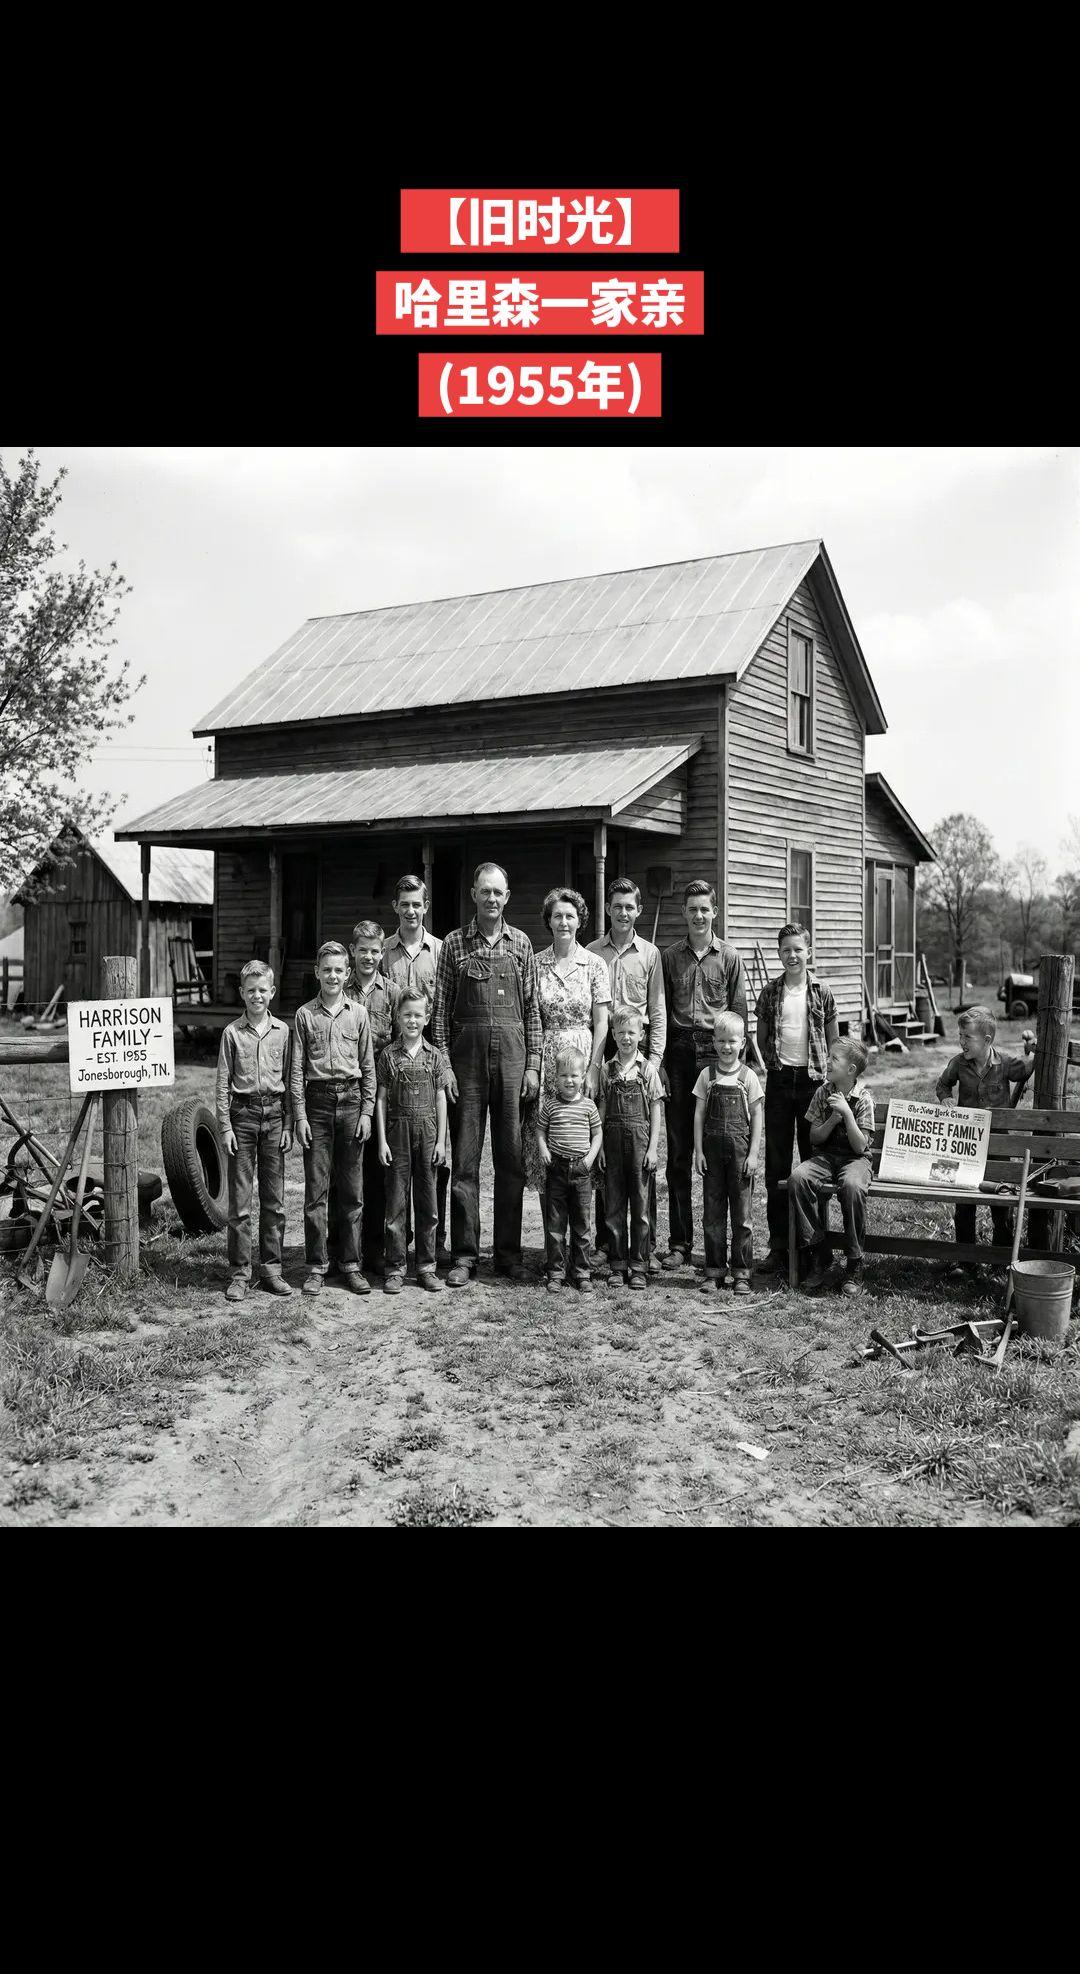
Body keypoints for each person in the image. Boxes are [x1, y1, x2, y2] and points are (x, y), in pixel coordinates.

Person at [431, 861, 541, 1285]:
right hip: (467, 1065)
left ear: (506, 897)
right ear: (473, 895)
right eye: (484, 891)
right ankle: (464, 1255)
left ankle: (509, 1254)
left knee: (511, 1160)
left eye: (498, 892)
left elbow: (532, 1010)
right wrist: (444, 1065)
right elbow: (439, 1011)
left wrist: (532, 1065)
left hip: (513, 1062)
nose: (491, 899)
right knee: (465, 1161)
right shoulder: (455, 944)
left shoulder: (521, 944)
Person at [660, 880, 748, 1271]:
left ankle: (725, 1246)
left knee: (722, 1150)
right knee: (679, 1151)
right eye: (692, 909)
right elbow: (659, 1011)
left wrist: (735, 1063)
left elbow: (740, 1012)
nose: (698, 915)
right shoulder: (669, 957)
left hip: (718, 1054)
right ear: (684, 912)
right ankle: (680, 1242)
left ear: (715, 912)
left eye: (705, 909)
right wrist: (659, 1059)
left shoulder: (728, 957)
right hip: (678, 1052)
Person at [588, 876, 666, 1275]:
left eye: (629, 907)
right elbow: (594, 1017)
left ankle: (644, 1247)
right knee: (610, 1164)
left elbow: (656, 1010)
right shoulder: (591, 952)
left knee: (640, 1167)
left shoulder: (650, 955)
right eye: (616, 906)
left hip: (639, 1060)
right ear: (609, 910)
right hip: (606, 1061)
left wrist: (653, 1059)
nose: (622, 912)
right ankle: (608, 1244)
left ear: (639, 910)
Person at [291, 940, 376, 1297]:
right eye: (327, 970)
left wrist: (368, 1112)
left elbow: (368, 1067)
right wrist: (299, 1115)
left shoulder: (358, 1014)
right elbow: (296, 1070)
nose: (333, 976)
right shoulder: (304, 1015)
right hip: (317, 1103)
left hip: (352, 1101)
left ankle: (351, 1264)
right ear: (317, 973)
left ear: (348, 973)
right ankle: (315, 1265)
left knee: (353, 1192)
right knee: (316, 1190)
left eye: (339, 970)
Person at [755, 922, 839, 1278]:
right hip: (779, 1082)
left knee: (813, 1166)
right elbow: (760, 1038)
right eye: (786, 950)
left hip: (812, 1083)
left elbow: (835, 1045)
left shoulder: (822, 991)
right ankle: (779, 1246)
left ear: (809, 952)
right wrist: (776, 1067)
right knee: (776, 1166)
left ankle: (815, 1249)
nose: (792, 956)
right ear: (779, 954)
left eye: (798, 949)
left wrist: (832, 1083)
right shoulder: (771, 992)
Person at [935, 1006, 1036, 1278]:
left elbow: (1026, 1069)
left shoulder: (1004, 1063)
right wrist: (945, 1098)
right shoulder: (958, 1064)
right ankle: (966, 1261)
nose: (962, 1041)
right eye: (960, 1036)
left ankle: (1000, 1260)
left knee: (1001, 1204)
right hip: (968, 1146)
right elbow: (943, 1084)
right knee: (964, 1204)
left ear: (987, 1040)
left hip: (999, 1148)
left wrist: (1032, 1049)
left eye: (968, 1037)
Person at [379, 873, 449, 1257]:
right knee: (394, 1167)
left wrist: (446, 1065)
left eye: (416, 904)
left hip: (431, 1064)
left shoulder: (440, 951)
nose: (410, 910)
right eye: (403, 904)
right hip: (392, 1064)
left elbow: (447, 1010)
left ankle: (431, 1248)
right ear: (396, 908)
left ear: (426, 907)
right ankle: (391, 1249)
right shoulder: (383, 952)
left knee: (433, 1164)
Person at [523, 887, 610, 1192]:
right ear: (549, 920)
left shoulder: (595, 964)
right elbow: (531, 1018)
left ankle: (582, 1235)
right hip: (548, 1062)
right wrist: (532, 1067)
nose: (563, 922)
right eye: (557, 915)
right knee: (549, 1135)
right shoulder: (535, 964)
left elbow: (602, 1022)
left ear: (579, 920)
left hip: (583, 1058)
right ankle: (553, 1236)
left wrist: (594, 1068)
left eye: (569, 916)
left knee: (580, 1135)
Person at [216, 959, 293, 1301]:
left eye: (263, 990)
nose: (257, 996)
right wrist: (225, 1127)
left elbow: (292, 1081)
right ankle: (239, 1272)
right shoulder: (231, 1034)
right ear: (242, 994)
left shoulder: (284, 1032)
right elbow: (221, 1085)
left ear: (272, 992)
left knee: (274, 1201)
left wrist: (289, 1123)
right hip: (243, 1117)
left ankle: (273, 1269)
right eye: (251, 991)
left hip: (275, 1116)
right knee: (240, 1203)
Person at [375, 988, 450, 1295]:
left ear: (427, 1018)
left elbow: (442, 1098)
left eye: (418, 1015)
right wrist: (382, 1140)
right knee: (395, 1204)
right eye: (407, 1014)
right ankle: (395, 1267)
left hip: (429, 1133)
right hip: (397, 1134)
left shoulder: (435, 1057)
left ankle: (426, 1267)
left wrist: (441, 1141)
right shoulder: (388, 1056)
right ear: (398, 1017)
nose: (412, 1020)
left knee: (428, 1203)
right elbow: (380, 1099)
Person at [789, 1037, 875, 1295]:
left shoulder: (863, 1099)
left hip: (855, 1160)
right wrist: (832, 1119)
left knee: (851, 1186)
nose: (827, 1061)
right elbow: (814, 1137)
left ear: (850, 1070)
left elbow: (861, 1147)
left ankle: (854, 1262)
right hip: (826, 1157)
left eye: (834, 1059)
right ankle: (819, 1252)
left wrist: (847, 1116)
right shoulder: (822, 1093)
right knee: (798, 1178)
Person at [693, 1011, 763, 1295]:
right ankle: (714, 1271)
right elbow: (698, 1115)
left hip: (740, 1154)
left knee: (742, 1215)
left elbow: (757, 1114)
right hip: (712, 1153)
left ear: (742, 1043)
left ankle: (742, 1272)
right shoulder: (706, 1076)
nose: (726, 1046)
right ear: (713, 1042)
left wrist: (754, 1153)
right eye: (721, 1040)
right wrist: (698, 1150)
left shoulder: (748, 1077)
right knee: (713, 1213)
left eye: (732, 1041)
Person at [344, 918, 398, 1278]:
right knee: (347, 1174)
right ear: (353, 951)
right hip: (347, 1092)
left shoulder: (391, 992)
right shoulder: (340, 991)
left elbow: (398, 1042)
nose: (369, 956)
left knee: (379, 1175)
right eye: (362, 950)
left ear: (383, 953)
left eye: (375, 951)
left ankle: (376, 1247)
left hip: (381, 1093)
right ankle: (345, 1248)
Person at [598, 1005, 663, 1289]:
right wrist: (597, 1146)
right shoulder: (606, 1070)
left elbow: (656, 1108)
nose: (626, 1038)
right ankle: (617, 1264)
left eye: (632, 1033)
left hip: (640, 1146)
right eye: (621, 1032)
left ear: (642, 1034)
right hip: (611, 1147)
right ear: (612, 1034)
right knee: (612, 1207)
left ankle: (639, 1264)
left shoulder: (647, 1070)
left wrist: (652, 1149)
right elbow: (600, 1108)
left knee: (640, 1206)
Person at [536, 1046, 603, 1293]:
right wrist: (543, 1149)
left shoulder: (588, 1107)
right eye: (564, 1076)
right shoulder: (551, 1106)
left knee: (582, 1225)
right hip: (557, 1169)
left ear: (583, 1076)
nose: (569, 1080)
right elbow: (540, 1130)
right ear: (555, 1078)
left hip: (581, 1171)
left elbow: (597, 1134)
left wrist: (590, 1159)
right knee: (555, 1225)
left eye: (574, 1075)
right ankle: (555, 1273)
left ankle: (582, 1272)